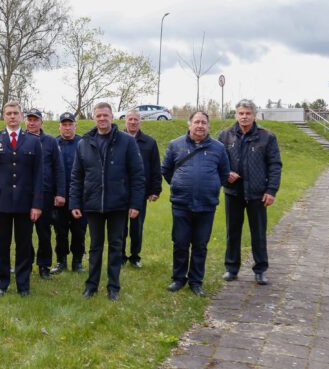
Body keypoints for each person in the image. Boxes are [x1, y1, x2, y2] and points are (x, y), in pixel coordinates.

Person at [69, 102, 145, 301]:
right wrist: (75, 203)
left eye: (105, 115)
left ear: (112, 117)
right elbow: (77, 176)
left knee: (115, 246)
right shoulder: (84, 143)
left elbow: (137, 174)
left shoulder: (127, 142)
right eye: (99, 115)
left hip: (118, 204)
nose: (102, 119)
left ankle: (113, 287)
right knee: (95, 247)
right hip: (92, 204)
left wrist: (136, 204)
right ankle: (91, 285)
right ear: (94, 118)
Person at [162, 111, 230, 297]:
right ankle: (178, 278)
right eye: (196, 122)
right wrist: (179, 185)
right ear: (189, 124)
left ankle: (196, 281)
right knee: (180, 243)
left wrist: (210, 186)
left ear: (208, 126)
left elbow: (224, 174)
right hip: (181, 204)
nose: (200, 125)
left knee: (200, 245)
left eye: (204, 122)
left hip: (206, 205)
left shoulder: (218, 148)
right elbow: (167, 171)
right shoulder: (175, 145)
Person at [218, 99, 282, 285]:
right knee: (233, 232)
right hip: (233, 193)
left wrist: (271, 190)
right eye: (241, 113)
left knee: (259, 233)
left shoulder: (267, 137)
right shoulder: (225, 136)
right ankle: (231, 268)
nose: (244, 116)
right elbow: (218, 161)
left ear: (254, 115)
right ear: (236, 114)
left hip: (258, 194)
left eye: (248, 113)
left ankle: (260, 269)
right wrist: (226, 173)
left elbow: (275, 165)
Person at [0, 100, 43, 297]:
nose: (12, 116)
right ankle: (1, 284)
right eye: (8, 113)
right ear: (3, 116)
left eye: (15, 113)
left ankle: (23, 285)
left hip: (26, 204)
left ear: (21, 116)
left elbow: (38, 176)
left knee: (24, 246)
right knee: (2, 245)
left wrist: (37, 204)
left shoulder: (33, 141)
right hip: (1, 204)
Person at [24, 108, 66, 279]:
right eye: (29, 119)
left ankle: (44, 265)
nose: (32, 122)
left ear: (41, 122)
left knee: (44, 232)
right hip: (24, 193)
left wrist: (60, 193)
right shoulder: (20, 139)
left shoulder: (50, 141)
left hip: (45, 193)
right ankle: (25, 264)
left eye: (35, 119)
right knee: (24, 233)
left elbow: (59, 168)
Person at [122, 109, 162, 268]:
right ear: (125, 121)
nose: (133, 122)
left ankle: (135, 256)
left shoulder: (149, 142)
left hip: (139, 191)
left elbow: (155, 167)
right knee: (120, 227)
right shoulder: (117, 139)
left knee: (137, 227)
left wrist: (155, 190)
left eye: (136, 119)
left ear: (140, 121)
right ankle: (120, 256)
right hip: (120, 190)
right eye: (130, 119)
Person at [52, 112, 84, 273]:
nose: (67, 127)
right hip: (59, 196)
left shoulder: (83, 143)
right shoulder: (53, 143)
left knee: (79, 231)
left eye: (70, 124)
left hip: (79, 197)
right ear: (60, 126)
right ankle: (61, 261)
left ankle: (77, 261)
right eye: (64, 124)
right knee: (60, 231)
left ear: (74, 126)